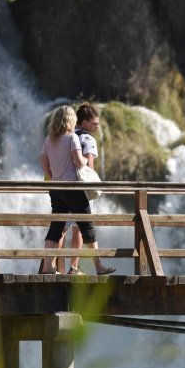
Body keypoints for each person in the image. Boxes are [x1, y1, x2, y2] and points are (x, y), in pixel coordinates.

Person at [40, 105, 114, 275]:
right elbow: (79, 162)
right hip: (73, 188)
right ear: (70, 120)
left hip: (56, 188)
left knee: (56, 228)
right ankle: (98, 266)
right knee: (87, 226)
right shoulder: (72, 137)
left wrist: (53, 175)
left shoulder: (49, 139)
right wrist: (85, 162)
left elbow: (44, 163)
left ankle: (46, 268)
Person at [58, 103, 101, 275]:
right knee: (80, 229)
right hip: (80, 189)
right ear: (83, 123)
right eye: (94, 123)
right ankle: (73, 267)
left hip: (62, 187)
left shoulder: (65, 135)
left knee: (61, 229)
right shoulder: (88, 139)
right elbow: (89, 164)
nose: (97, 126)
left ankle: (56, 267)